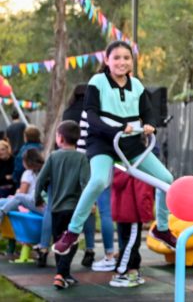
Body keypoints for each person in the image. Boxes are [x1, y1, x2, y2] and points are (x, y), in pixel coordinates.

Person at [52, 41, 177, 256]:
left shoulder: (136, 85)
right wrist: (118, 129)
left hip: (131, 144)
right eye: (116, 57)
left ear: (132, 61)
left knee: (166, 179)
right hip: (102, 143)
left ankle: (162, 229)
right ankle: (72, 232)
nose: (121, 62)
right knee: (100, 180)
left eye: (126, 58)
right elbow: (91, 116)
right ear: (107, 61)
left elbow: (148, 112)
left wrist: (150, 125)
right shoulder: (98, 82)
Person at [62, 84, 115, 271]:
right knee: (105, 210)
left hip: (81, 162)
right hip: (102, 159)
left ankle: (88, 248)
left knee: (86, 208)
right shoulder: (100, 110)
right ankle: (109, 252)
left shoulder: (68, 113)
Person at [34, 121, 89, 290]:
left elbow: (41, 180)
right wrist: (89, 204)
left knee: (59, 242)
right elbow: (85, 183)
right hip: (75, 209)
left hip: (56, 208)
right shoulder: (81, 158)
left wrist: (38, 198)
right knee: (71, 242)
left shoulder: (53, 157)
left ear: (61, 138)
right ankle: (61, 274)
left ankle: (62, 274)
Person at [108, 169, 154, 288]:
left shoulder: (118, 168)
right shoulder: (138, 170)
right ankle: (123, 272)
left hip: (121, 211)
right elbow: (143, 194)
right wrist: (146, 216)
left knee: (126, 242)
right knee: (131, 244)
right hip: (132, 213)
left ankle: (133, 270)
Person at [0, 147, 45, 222]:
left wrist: (17, 192)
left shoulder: (28, 174)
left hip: (35, 204)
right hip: (37, 203)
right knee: (4, 200)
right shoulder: (41, 171)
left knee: (14, 198)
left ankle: (1, 213)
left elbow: (22, 194)